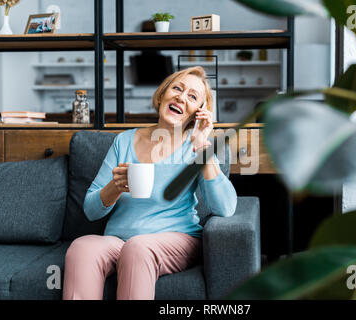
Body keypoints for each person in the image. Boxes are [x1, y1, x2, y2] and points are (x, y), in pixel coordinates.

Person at [62, 66, 237, 300]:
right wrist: (115, 187)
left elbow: (225, 208)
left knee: (138, 248)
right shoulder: (124, 141)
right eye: (177, 88)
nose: (180, 97)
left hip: (176, 239)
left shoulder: (196, 149)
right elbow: (91, 210)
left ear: (198, 112)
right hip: (119, 240)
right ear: (163, 93)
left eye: (192, 97)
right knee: (83, 248)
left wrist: (202, 146)